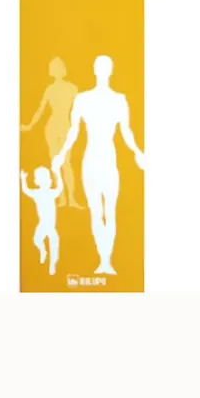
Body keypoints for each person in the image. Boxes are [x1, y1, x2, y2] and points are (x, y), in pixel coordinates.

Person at [52, 55, 144, 275]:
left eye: (106, 67)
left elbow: (126, 131)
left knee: (110, 211)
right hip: (91, 160)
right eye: (99, 67)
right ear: (94, 70)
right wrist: (61, 153)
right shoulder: (83, 99)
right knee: (96, 211)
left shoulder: (119, 100)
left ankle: (106, 261)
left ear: (111, 71)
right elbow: (73, 131)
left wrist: (138, 152)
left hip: (109, 160)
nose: (102, 70)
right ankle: (103, 259)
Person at [20, 57, 83, 208]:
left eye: (57, 67)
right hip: (52, 127)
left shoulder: (73, 88)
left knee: (66, 163)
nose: (55, 70)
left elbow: (80, 110)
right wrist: (29, 125)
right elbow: (40, 110)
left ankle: (71, 199)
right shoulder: (50, 89)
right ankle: (62, 199)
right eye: (53, 68)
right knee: (56, 164)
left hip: (65, 126)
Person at [20, 166, 62, 275]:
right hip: (42, 224)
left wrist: (58, 174)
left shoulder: (51, 193)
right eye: (43, 178)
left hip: (51, 226)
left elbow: (60, 188)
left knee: (54, 243)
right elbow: (25, 190)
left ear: (50, 181)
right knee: (36, 240)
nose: (48, 180)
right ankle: (43, 250)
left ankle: (52, 264)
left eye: (48, 178)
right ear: (36, 182)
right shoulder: (36, 193)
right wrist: (23, 179)